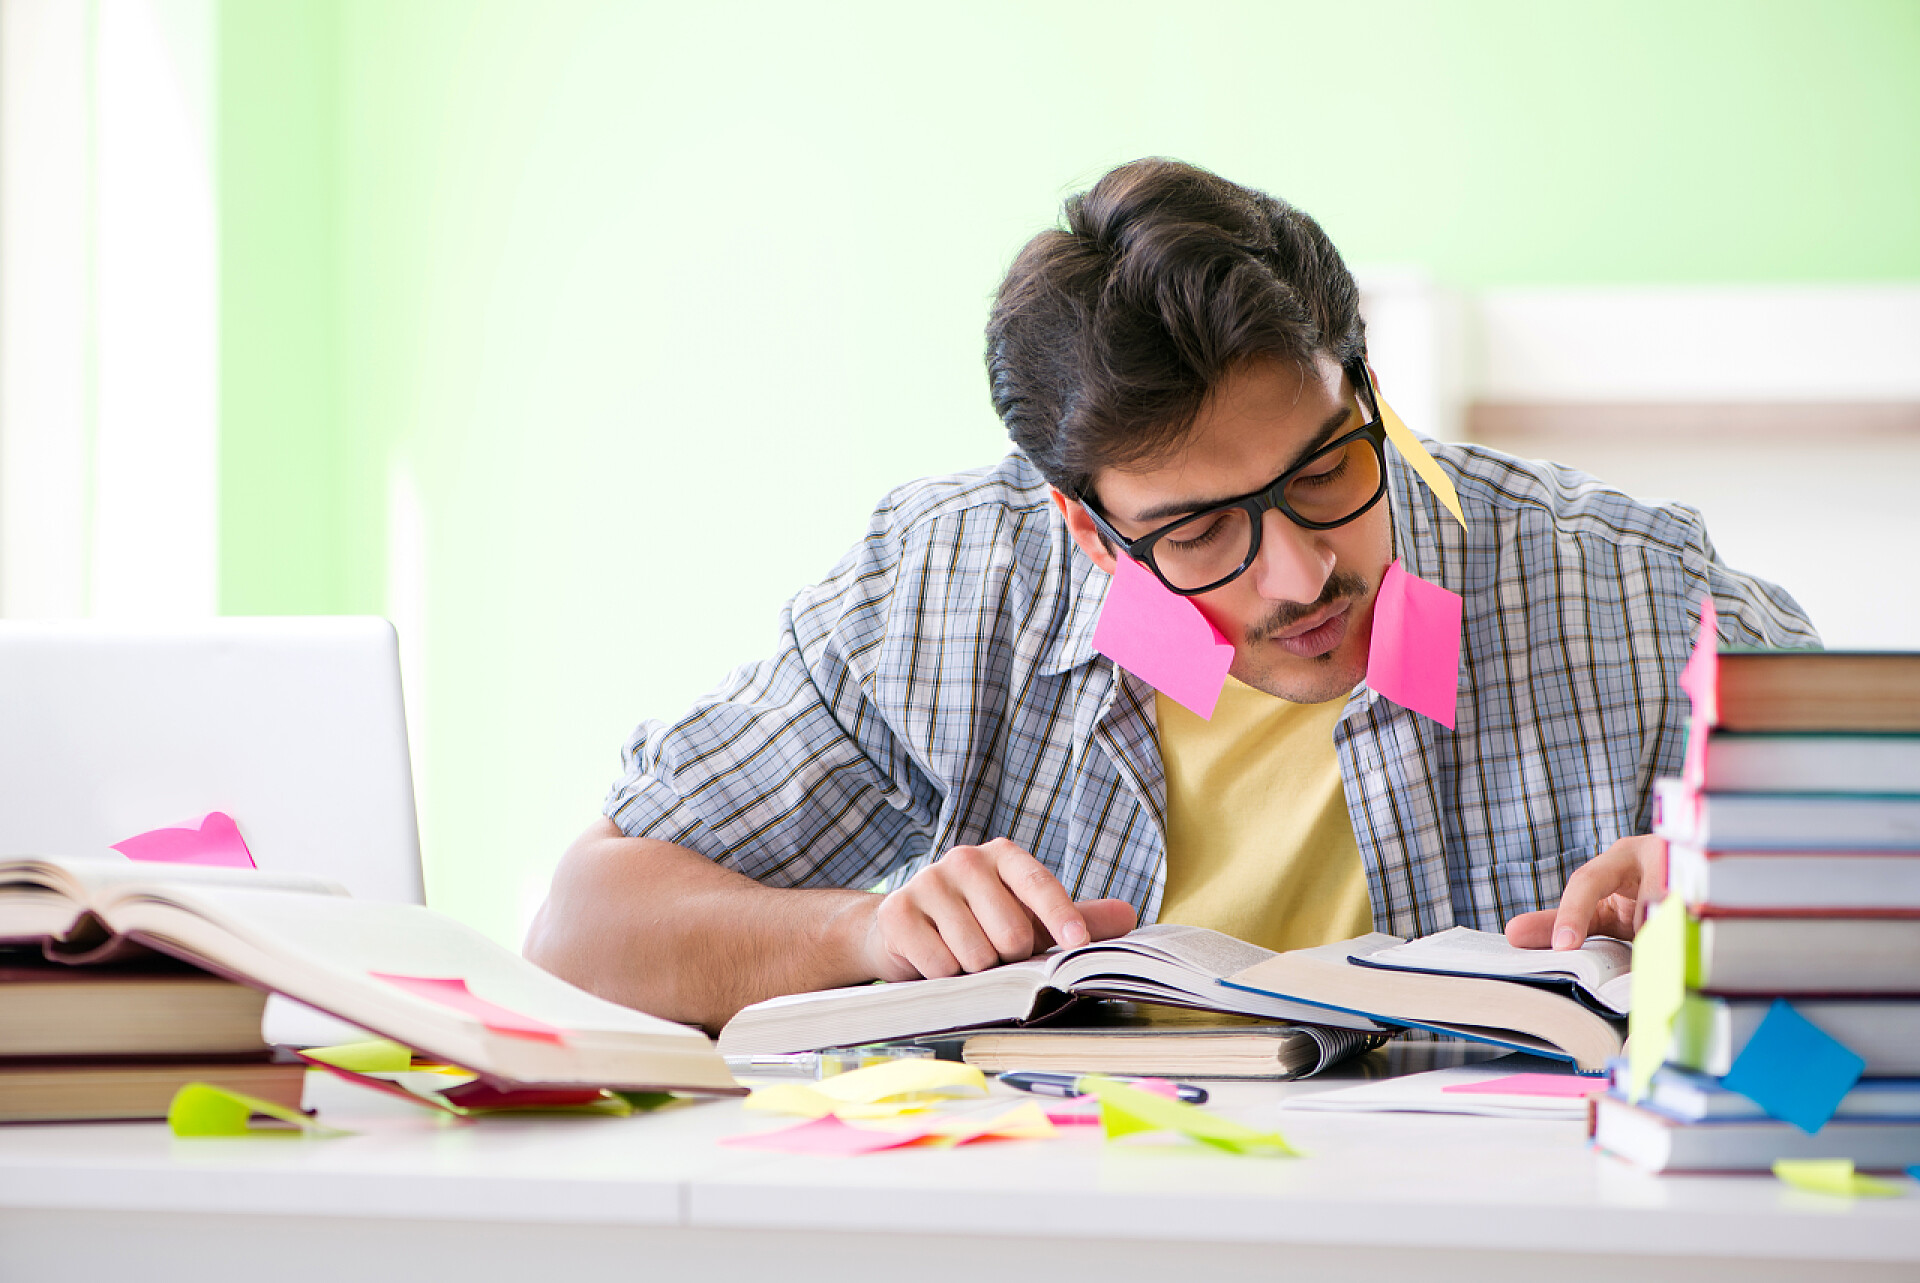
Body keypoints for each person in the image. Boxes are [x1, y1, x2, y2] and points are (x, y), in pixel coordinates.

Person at [525, 158, 1817, 1033]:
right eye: (1199, 532)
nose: (1300, 575)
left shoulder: (1638, 592)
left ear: (1367, 393)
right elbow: (581, 935)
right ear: (1087, 533)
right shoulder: (941, 592)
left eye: (1326, 471)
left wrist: (1761, 911)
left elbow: (1872, 978)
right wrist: (865, 935)